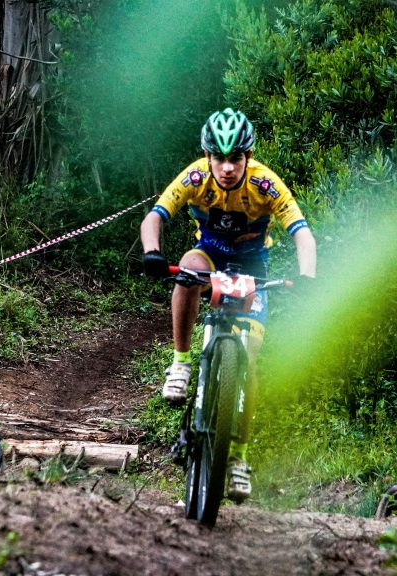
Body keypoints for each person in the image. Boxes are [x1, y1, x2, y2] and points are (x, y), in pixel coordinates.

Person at [139, 108, 317, 501]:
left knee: (248, 359)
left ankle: (238, 457)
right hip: (209, 259)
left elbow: (302, 232)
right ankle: (181, 363)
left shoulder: (265, 184)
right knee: (187, 267)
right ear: (207, 156)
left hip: (252, 270)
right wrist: (152, 251)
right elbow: (154, 217)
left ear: (248, 156)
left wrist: (307, 276)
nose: (227, 167)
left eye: (235, 158)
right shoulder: (195, 177)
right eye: (218, 158)